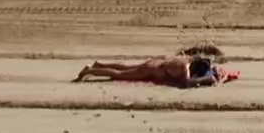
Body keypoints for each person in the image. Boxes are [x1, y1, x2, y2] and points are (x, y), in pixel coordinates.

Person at [73, 55, 235, 87]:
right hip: (151, 69)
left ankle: (100, 64)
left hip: (154, 62)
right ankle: (90, 71)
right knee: (119, 75)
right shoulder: (185, 69)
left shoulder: (187, 60)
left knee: (125, 67)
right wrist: (204, 80)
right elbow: (186, 83)